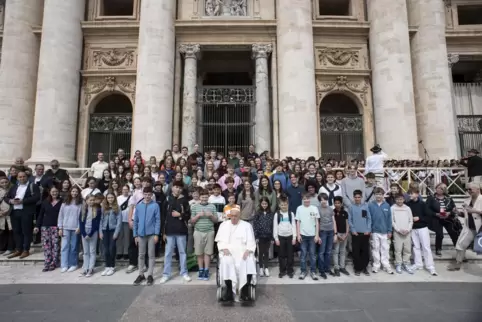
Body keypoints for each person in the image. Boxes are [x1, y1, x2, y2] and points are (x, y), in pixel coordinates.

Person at [215, 206, 257, 302]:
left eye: (236, 216)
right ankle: (229, 291)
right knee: (226, 261)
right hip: (228, 251)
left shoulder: (247, 225)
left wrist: (248, 250)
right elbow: (219, 241)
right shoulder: (224, 225)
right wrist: (223, 248)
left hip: (242, 251)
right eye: (232, 216)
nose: (233, 218)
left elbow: (251, 242)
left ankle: (245, 291)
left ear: (240, 216)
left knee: (249, 260)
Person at [160, 181, 191, 284]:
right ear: (172, 188)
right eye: (176, 187)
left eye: (179, 188)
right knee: (168, 253)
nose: (177, 189)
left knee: (182, 252)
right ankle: (166, 274)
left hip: (181, 230)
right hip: (169, 231)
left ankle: (184, 272)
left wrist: (180, 214)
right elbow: (163, 217)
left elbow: (188, 215)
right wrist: (163, 232)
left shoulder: (184, 200)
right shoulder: (167, 199)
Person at [5, 171, 41, 259]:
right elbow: (6, 197)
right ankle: (18, 249)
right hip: (14, 212)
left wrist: (23, 201)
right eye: (20, 177)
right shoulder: (14, 187)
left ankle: (26, 250)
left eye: (23, 176)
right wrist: (11, 201)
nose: (22, 178)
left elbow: (36, 197)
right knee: (16, 231)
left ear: (27, 177)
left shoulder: (33, 186)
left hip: (26, 212)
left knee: (26, 232)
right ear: (17, 178)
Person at [448, 182, 482, 271]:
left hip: (480, 228)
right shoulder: (467, 201)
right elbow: (466, 214)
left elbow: (474, 212)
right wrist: (458, 213)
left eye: (471, 189)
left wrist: (475, 211)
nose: (469, 191)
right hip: (470, 227)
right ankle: (458, 262)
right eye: (467, 189)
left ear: (478, 189)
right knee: (460, 244)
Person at [133, 187, 161, 286]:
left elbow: (158, 220)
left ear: (151, 195)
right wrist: (135, 234)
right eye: (145, 194)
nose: (147, 196)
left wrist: (157, 234)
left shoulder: (155, 205)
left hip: (151, 234)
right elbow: (135, 221)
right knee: (141, 255)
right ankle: (141, 274)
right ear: (143, 194)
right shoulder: (139, 206)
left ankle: (150, 274)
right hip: (141, 234)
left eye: (149, 194)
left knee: (151, 255)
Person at [406, 188, 437, 276]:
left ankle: (430, 266)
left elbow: (429, 216)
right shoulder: (407, 205)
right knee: (416, 247)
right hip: (413, 228)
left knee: (426, 247)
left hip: (423, 227)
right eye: (409, 194)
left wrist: (419, 218)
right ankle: (418, 264)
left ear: (417, 194)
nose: (410, 195)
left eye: (411, 193)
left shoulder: (423, 204)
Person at [190, 188, 218, 281]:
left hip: (209, 231)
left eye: (206, 197)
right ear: (200, 197)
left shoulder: (212, 206)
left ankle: (206, 270)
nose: (204, 199)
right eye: (202, 197)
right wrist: (198, 215)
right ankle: (200, 269)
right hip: (198, 231)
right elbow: (192, 221)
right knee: (199, 252)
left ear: (208, 197)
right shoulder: (194, 207)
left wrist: (211, 215)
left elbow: (216, 220)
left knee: (208, 252)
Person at [34, 187, 62, 272]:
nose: (54, 193)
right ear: (49, 192)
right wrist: (37, 226)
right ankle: (47, 262)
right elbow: (40, 215)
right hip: (45, 227)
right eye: (53, 191)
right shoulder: (45, 202)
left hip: (56, 227)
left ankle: (54, 262)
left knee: (55, 245)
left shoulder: (62, 202)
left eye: (56, 191)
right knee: (47, 246)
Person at [368, 188, 394, 274]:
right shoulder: (371, 205)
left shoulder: (387, 206)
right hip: (375, 231)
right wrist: (370, 230)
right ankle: (376, 265)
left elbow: (389, 219)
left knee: (385, 249)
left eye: (380, 194)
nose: (378, 196)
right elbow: (369, 218)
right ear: (374, 195)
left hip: (385, 231)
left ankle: (386, 265)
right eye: (377, 194)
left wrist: (389, 231)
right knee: (375, 248)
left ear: (383, 195)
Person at [296, 193, 320, 281]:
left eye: (308, 198)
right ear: (302, 199)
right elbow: (298, 222)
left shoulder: (314, 208)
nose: (306, 200)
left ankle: (313, 271)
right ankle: (303, 271)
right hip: (303, 235)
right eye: (304, 198)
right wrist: (298, 234)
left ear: (310, 199)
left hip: (312, 235)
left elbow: (317, 222)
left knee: (313, 255)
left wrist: (317, 235)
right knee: (303, 255)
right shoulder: (299, 208)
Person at [348, 189, 372, 276]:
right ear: (353, 197)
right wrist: (353, 230)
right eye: (356, 197)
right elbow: (349, 220)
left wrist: (368, 230)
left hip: (365, 233)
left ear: (361, 197)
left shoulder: (365, 206)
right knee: (356, 252)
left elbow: (369, 219)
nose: (357, 198)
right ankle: (357, 268)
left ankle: (364, 267)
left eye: (359, 197)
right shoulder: (351, 207)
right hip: (356, 233)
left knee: (365, 251)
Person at [273, 195, 296, 279]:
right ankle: (282, 270)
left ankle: (290, 270)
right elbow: (275, 226)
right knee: (281, 255)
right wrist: (276, 238)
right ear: (279, 205)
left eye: (285, 204)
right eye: (282, 205)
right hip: (280, 237)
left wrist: (294, 237)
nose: (284, 206)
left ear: (288, 204)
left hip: (290, 237)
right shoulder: (277, 214)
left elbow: (293, 225)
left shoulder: (291, 214)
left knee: (290, 255)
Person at [100, 192, 122, 277]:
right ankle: (107, 266)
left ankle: (112, 266)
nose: (110, 199)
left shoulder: (117, 208)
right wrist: (100, 232)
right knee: (106, 250)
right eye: (108, 198)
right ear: (106, 199)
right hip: (105, 230)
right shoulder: (104, 208)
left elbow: (119, 222)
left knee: (111, 248)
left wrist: (116, 233)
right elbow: (101, 221)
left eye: (112, 197)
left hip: (113, 230)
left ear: (114, 198)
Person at [79, 195, 102, 277]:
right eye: (90, 200)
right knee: (85, 252)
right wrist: (84, 234)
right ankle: (85, 268)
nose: (91, 202)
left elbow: (96, 223)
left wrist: (90, 233)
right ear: (86, 201)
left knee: (92, 251)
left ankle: (91, 268)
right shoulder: (83, 210)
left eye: (93, 200)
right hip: (84, 232)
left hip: (93, 232)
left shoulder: (97, 210)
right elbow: (81, 223)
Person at [391, 194, 414, 274]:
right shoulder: (392, 208)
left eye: (401, 199)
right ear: (395, 200)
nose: (399, 201)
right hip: (397, 232)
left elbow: (411, 220)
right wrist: (398, 230)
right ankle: (398, 264)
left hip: (407, 232)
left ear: (404, 200)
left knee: (407, 249)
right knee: (398, 249)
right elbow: (392, 221)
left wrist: (408, 229)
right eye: (398, 199)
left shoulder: (407, 208)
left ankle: (406, 263)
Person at [253, 197, 274, 277]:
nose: (264, 205)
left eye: (265, 204)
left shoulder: (271, 213)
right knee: (261, 253)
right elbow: (255, 225)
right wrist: (256, 236)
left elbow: (272, 226)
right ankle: (261, 268)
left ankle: (266, 268)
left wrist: (272, 237)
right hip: (260, 236)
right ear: (260, 204)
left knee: (266, 252)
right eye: (263, 204)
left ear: (268, 204)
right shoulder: (258, 213)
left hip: (268, 236)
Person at [317, 193, 336, 279]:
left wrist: (335, 233)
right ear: (319, 201)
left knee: (328, 251)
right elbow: (316, 223)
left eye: (325, 199)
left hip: (331, 231)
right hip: (323, 231)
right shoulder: (317, 209)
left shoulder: (330, 209)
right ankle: (321, 270)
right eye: (321, 200)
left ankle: (327, 268)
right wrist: (317, 235)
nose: (323, 201)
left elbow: (333, 220)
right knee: (321, 252)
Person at [332, 196, 350, 276]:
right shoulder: (332, 212)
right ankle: (336, 268)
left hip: (344, 234)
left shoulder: (345, 212)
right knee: (336, 251)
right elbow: (332, 224)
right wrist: (336, 235)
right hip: (337, 234)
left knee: (343, 251)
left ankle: (342, 267)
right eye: (335, 203)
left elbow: (347, 223)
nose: (337, 204)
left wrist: (346, 234)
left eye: (338, 203)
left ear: (341, 203)